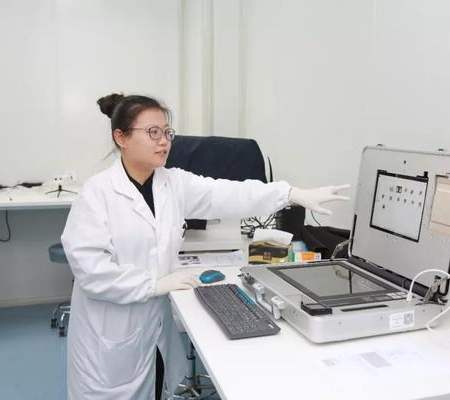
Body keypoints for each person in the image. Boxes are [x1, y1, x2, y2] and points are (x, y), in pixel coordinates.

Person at [61, 93, 349, 400]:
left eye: (167, 132)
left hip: (152, 325)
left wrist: (290, 194)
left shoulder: (173, 183)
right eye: (153, 132)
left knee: (155, 384)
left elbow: (227, 193)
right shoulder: (97, 193)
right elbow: (90, 269)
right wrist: (152, 285)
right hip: (110, 329)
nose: (164, 141)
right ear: (121, 137)